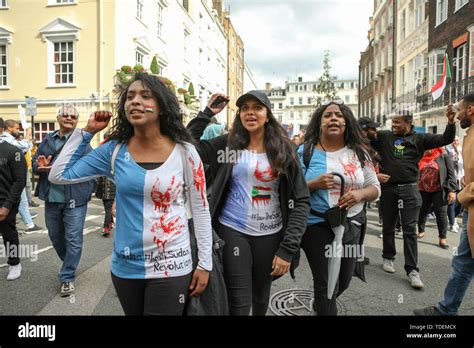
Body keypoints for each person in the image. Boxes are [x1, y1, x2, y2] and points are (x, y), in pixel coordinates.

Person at [48, 73, 213, 315]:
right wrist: (86, 132)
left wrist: (205, 263)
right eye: (130, 96)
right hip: (126, 267)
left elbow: (200, 209)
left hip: (172, 265)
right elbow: (59, 175)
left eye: (146, 96)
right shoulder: (114, 150)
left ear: (162, 106)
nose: (134, 101)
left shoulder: (185, 152)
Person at [187, 90, 310, 316]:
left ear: (267, 114)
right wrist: (206, 113)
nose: (250, 113)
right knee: (239, 303)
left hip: (271, 234)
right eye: (245, 108)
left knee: (261, 298)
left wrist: (288, 248)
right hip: (233, 230)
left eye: (257, 108)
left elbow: (301, 200)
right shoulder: (228, 144)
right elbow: (188, 147)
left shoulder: (285, 149)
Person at [299, 102, 380, 315]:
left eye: (338, 115)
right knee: (326, 285)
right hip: (316, 225)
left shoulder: (360, 153)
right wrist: (312, 184)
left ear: (346, 122)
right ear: (319, 123)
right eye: (327, 115)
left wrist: (360, 194)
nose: (333, 118)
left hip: (350, 225)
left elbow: (375, 187)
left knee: (343, 281)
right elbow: (290, 189)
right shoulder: (304, 152)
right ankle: (324, 306)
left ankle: (321, 305)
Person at [367, 108, 456, 289]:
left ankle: (412, 270)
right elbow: (365, 140)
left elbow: (445, 139)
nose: (393, 125)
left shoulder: (420, 139)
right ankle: (388, 257)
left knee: (409, 230)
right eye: (392, 122)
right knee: (389, 225)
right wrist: (367, 129)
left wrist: (451, 122)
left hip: (410, 190)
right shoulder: (384, 137)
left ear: (408, 123)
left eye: (397, 122)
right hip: (389, 189)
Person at [414, 92, 474, 315]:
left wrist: (459, 194)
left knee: (463, 261)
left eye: (459, 110)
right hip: (470, 208)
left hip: (468, 201)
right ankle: (446, 309)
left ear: (471, 110)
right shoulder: (470, 133)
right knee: (463, 261)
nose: (457, 115)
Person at [32, 105, 95, 297]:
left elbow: (89, 168)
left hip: (75, 198)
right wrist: (39, 166)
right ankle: (69, 263)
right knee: (55, 237)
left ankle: (67, 277)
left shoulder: (82, 142)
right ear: (58, 118)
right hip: (52, 197)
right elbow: (36, 163)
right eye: (65, 115)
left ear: (77, 121)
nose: (69, 118)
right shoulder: (48, 140)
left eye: (73, 116)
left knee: (73, 239)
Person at [0, 120, 42, 232]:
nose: (18, 131)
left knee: (21, 199)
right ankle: (28, 224)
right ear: (9, 128)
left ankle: (28, 224)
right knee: (19, 198)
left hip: (12, 175)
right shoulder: (7, 140)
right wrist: (28, 132)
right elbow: (24, 146)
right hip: (11, 176)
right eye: (17, 128)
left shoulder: (10, 139)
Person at [0, 117, 27, 280]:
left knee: (8, 233)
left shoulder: (12, 151)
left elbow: (20, 180)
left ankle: (14, 263)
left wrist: (7, 205)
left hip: (5, 201)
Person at [416, 148, 457, 249]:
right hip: (423, 190)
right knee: (422, 211)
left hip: (439, 190)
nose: (428, 149)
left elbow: (451, 175)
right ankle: (421, 230)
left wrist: (452, 190)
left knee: (441, 214)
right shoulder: (421, 157)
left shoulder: (444, 157)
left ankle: (442, 238)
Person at [445, 136, 464, 232]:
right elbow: (451, 164)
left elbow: (463, 164)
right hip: (452, 179)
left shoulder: (462, 150)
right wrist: (455, 153)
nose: (455, 142)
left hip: (461, 178)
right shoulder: (448, 150)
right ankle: (452, 223)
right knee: (452, 201)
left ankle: (454, 218)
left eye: (457, 140)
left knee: (461, 201)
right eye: (454, 140)